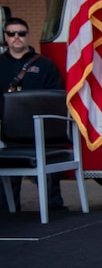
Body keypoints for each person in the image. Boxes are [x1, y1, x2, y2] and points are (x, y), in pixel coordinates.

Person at [0, 17, 65, 212]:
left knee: (50, 183)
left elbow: (55, 99)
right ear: (5, 37)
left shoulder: (46, 65)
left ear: (28, 36)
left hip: (42, 135)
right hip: (7, 136)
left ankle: (54, 212)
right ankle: (9, 215)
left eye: (21, 33)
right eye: (11, 34)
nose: (16, 37)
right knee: (6, 188)